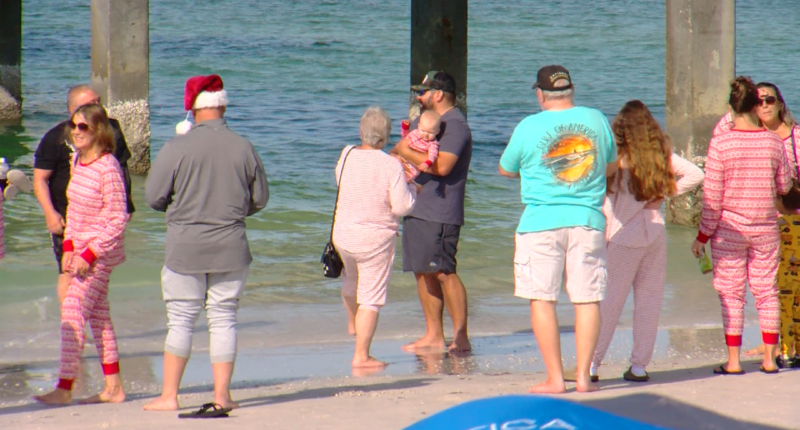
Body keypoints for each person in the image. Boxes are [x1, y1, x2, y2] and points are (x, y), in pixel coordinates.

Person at [143, 74, 269, 413]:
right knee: (224, 318)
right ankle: (222, 395)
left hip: (185, 246)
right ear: (223, 106)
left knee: (181, 319)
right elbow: (259, 199)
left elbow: (154, 198)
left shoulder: (176, 147)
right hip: (231, 244)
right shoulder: (244, 146)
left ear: (191, 111)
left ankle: (169, 395)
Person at [499, 65, 616, 393]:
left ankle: (554, 378)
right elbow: (610, 166)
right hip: (588, 220)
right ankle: (582, 377)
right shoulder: (595, 119)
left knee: (542, 298)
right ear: (571, 90)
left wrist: (532, 172)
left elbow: (505, 169)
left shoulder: (528, 125)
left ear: (540, 94)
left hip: (540, 223)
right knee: (587, 299)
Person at [591, 101, 704, 382]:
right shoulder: (659, 154)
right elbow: (696, 174)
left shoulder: (616, 158)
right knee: (649, 302)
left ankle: (592, 364)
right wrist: (666, 193)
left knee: (609, 304)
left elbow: (598, 195)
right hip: (654, 232)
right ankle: (639, 366)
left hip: (622, 235)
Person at [690, 76, 791, 375]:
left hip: (729, 230)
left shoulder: (721, 142)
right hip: (765, 228)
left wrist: (702, 236)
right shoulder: (773, 141)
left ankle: (733, 361)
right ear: (756, 106)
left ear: (730, 108)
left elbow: (712, 197)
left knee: (731, 294)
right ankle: (770, 359)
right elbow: (784, 185)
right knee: (766, 292)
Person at [33, 104, 129, 405]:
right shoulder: (79, 160)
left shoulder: (108, 167)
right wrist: (69, 246)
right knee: (99, 318)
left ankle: (64, 387)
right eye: (73, 126)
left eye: (83, 126)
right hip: (80, 248)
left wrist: (89, 254)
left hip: (101, 251)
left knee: (72, 312)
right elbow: (72, 209)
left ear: (99, 129)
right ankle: (114, 389)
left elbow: (117, 219)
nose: (76, 131)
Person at [390, 71, 473, 353]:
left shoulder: (455, 125)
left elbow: (443, 166)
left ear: (438, 94)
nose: (418, 96)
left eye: (423, 92)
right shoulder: (420, 122)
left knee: (443, 272)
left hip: (441, 209)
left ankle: (461, 336)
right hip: (415, 205)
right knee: (422, 271)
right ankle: (433, 335)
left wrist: (404, 150)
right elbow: (397, 154)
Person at [33, 84, 135, 304]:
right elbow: (40, 179)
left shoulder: (112, 130)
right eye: (90, 104)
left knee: (97, 275)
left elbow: (123, 168)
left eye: (98, 102)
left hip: (100, 219)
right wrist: (50, 214)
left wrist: (128, 205)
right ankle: (70, 324)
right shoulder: (55, 138)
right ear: (72, 110)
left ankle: (85, 323)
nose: (97, 107)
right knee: (67, 271)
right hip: (68, 217)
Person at [333, 106, 417, 369]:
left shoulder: (347, 154)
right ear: (387, 136)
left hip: (343, 233)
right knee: (370, 296)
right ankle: (361, 355)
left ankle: (352, 322)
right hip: (375, 240)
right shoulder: (391, 164)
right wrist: (413, 188)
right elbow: (402, 207)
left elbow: (340, 181)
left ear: (361, 132)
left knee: (350, 279)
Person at [754, 83, 800, 366]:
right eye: (758, 102)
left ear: (780, 103)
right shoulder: (755, 138)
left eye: (770, 99)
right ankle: (780, 344)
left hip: (794, 217)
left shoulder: (796, 137)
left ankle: (791, 346)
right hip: (766, 220)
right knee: (775, 285)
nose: (765, 105)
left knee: (794, 286)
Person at [393, 110, 441, 181]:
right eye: (423, 130)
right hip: (403, 157)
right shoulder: (415, 133)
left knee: (407, 178)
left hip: (413, 165)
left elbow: (433, 156)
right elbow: (405, 138)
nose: (425, 134)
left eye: (430, 132)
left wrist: (427, 164)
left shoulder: (433, 144)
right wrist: (405, 128)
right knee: (393, 165)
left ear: (437, 132)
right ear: (418, 126)